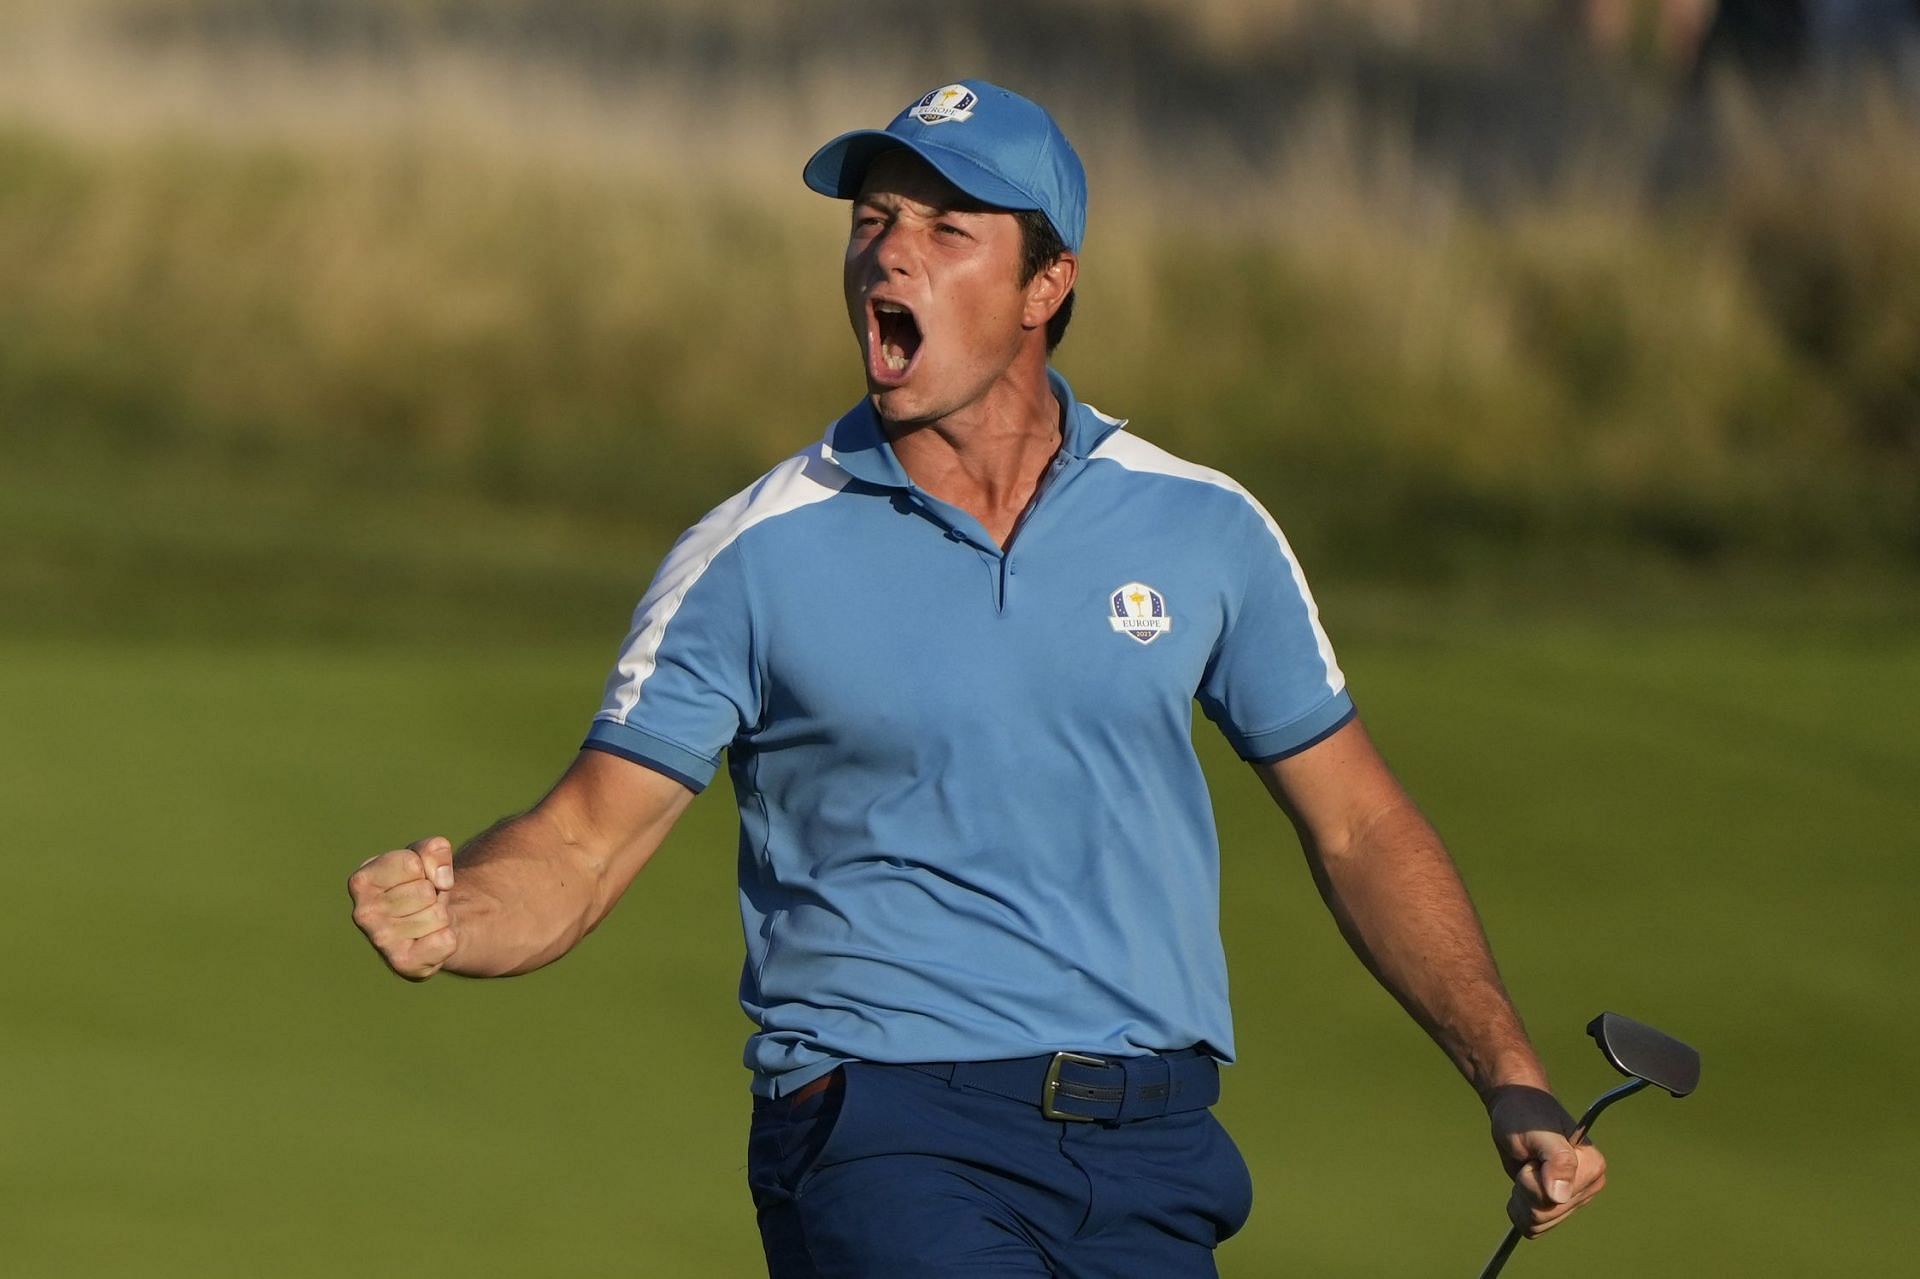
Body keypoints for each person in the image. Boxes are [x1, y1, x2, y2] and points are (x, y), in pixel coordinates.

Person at [347, 79, 1607, 1277]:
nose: (890, 253)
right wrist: (461, 915)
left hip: (1155, 1147)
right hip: (885, 1128)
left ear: (1045, 285)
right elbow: (579, 844)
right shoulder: (751, 554)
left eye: (948, 228)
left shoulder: (1202, 528)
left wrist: (1509, 1070)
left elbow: (1359, 823)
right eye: (874, 220)